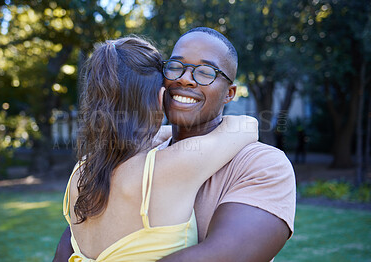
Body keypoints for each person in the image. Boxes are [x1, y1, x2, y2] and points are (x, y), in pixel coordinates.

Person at [54, 28, 296, 262]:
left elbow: (227, 256)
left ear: (229, 93)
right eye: (175, 67)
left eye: (205, 72)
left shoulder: (263, 165)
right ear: (161, 87)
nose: (185, 78)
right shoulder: (136, 161)